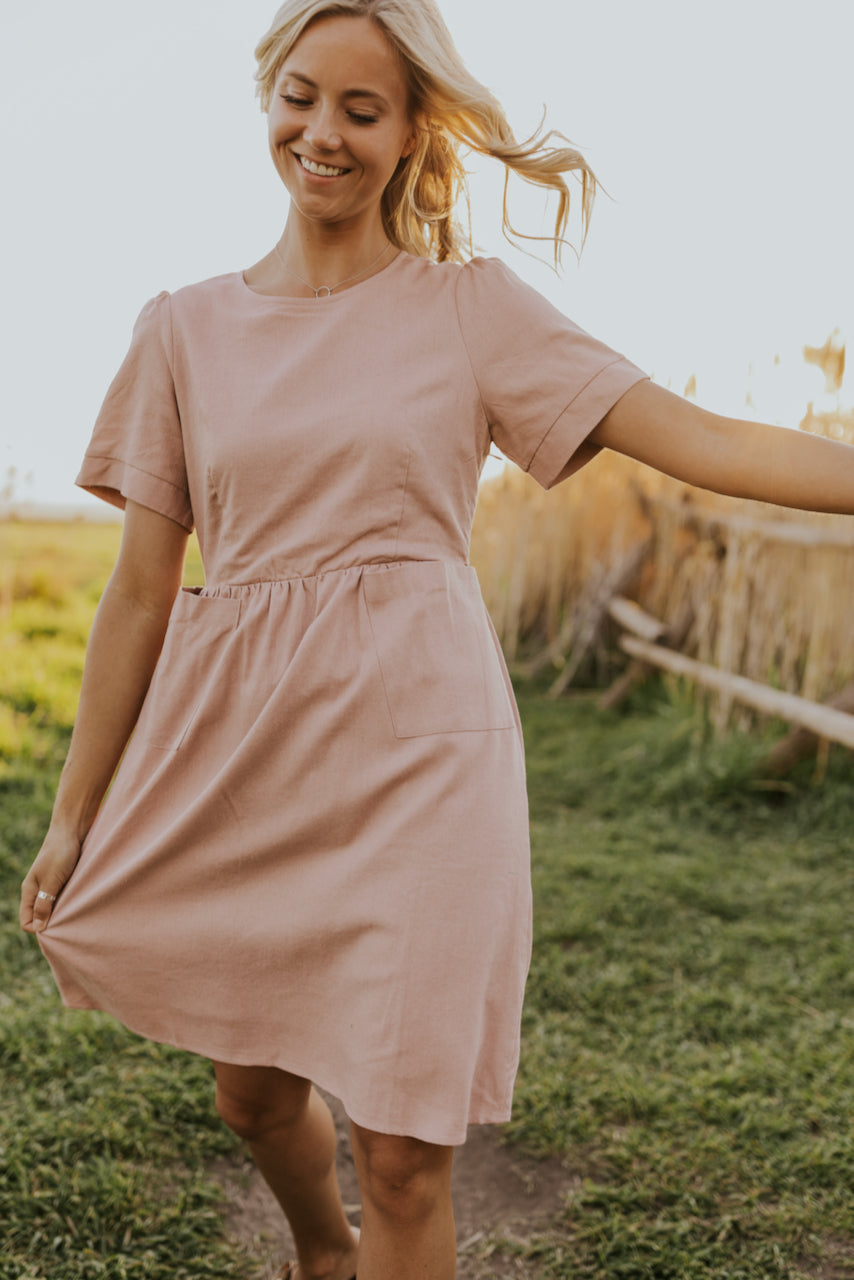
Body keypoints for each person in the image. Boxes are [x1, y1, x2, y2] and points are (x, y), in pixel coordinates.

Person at [18, 1, 854, 1277]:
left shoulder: (471, 310)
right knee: (249, 1093)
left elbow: (706, 437)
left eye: (363, 109)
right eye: (303, 97)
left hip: (424, 751)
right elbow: (140, 593)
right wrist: (78, 813)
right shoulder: (180, 329)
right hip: (242, 753)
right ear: (266, 96)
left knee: (405, 1152)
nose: (325, 134)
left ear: (413, 134)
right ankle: (319, 1248)